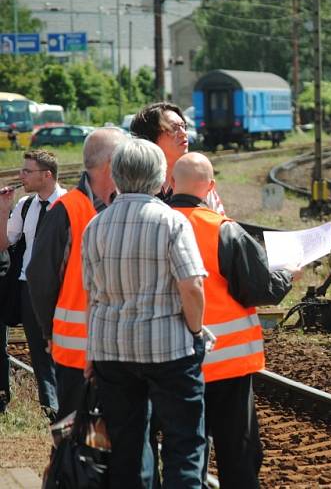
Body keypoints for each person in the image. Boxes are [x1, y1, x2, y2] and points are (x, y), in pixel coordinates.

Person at [82, 139, 207, 489]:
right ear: (160, 177)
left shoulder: (96, 226)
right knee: (184, 444)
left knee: (127, 448)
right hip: (169, 350)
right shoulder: (172, 222)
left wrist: (92, 351)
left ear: (117, 177)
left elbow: (93, 296)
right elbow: (192, 287)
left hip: (112, 350)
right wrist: (195, 332)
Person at [168, 152, 296, 488]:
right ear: (210, 187)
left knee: (184, 452)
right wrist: (287, 273)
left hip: (172, 361)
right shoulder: (223, 230)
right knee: (237, 453)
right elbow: (261, 287)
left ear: (170, 183)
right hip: (226, 364)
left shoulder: (158, 224)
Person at [27, 128, 127, 421]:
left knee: (121, 438)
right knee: (77, 439)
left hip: (122, 351)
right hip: (77, 352)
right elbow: (40, 278)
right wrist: (50, 331)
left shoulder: (123, 205)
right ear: (110, 164)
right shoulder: (66, 210)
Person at [0, 150, 66, 420]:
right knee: (38, 350)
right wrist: (4, 209)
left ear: (46, 175)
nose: (21, 176)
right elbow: (4, 243)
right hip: (29, 285)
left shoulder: (68, 203)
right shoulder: (26, 205)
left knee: (64, 348)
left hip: (62, 288)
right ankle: (51, 408)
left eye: (27, 171)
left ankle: (67, 404)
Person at [130, 102, 224, 214]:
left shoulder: (197, 180)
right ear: (150, 137)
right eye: (173, 128)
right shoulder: (135, 186)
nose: (183, 133)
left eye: (183, 126)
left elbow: (219, 223)